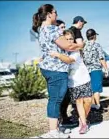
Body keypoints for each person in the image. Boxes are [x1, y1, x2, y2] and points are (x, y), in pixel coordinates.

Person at [32, 4, 83, 138]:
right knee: (55, 100)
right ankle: (53, 132)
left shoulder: (41, 29)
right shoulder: (52, 29)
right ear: (49, 14)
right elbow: (68, 45)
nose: (57, 15)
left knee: (54, 99)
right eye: (55, 12)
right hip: (56, 69)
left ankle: (56, 128)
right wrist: (81, 45)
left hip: (47, 68)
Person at [50, 29, 92, 134]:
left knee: (88, 101)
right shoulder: (62, 50)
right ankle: (83, 124)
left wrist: (58, 55)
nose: (69, 41)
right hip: (72, 82)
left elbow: (69, 60)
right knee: (79, 101)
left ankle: (83, 119)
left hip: (84, 78)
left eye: (71, 39)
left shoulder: (75, 50)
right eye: (67, 39)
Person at [59, 16, 87, 126]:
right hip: (66, 71)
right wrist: (80, 46)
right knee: (65, 97)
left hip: (69, 71)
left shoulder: (65, 35)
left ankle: (67, 118)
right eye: (61, 27)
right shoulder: (76, 31)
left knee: (68, 97)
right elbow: (80, 45)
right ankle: (64, 119)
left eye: (64, 27)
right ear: (79, 22)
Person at [83, 28, 109, 110]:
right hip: (96, 68)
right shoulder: (97, 45)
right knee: (96, 88)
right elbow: (101, 58)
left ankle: (93, 105)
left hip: (87, 69)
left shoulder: (84, 45)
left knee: (91, 88)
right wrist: (106, 69)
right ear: (94, 36)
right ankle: (98, 105)